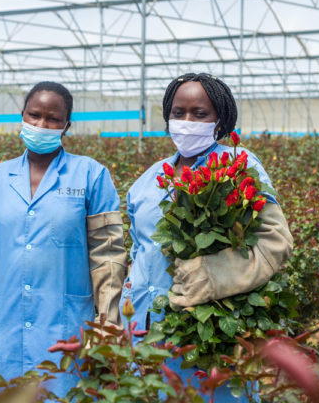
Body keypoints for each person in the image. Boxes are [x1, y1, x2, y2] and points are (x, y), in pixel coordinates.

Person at [0, 81, 128, 401]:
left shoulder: (91, 176)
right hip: (4, 327)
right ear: (22, 116)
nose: (42, 124)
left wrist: (108, 324)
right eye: (34, 115)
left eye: (53, 119)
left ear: (67, 125)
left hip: (66, 329)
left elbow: (108, 256)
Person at [121, 73, 293, 401]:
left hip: (208, 329)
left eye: (200, 114)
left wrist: (212, 275)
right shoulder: (150, 179)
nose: (187, 121)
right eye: (178, 112)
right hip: (146, 327)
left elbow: (275, 241)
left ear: (220, 120)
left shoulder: (238, 165)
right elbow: (139, 249)